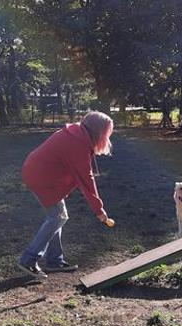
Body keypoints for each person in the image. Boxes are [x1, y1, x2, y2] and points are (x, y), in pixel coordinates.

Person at [18, 111, 113, 278]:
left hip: (38, 172)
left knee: (57, 217)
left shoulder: (77, 134)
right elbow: (86, 179)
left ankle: (54, 261)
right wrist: (99, 210)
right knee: (57, 217)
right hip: (41, 177)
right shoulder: (78, 143)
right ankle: (28, 259)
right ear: (98, 131)